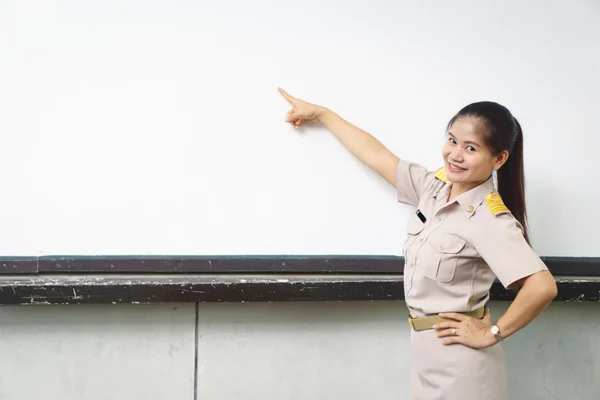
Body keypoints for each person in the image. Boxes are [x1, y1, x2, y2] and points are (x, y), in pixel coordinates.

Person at [278, 88, 558, 399]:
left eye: (471, 148)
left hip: (463, 367)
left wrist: (492, 333)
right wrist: (323, 114)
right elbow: (377, 156)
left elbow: (542, 286)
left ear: (499, 159)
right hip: (425, 358)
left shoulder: (489, 219)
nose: (455, 154)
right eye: (452, 140)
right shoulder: (433, 189)